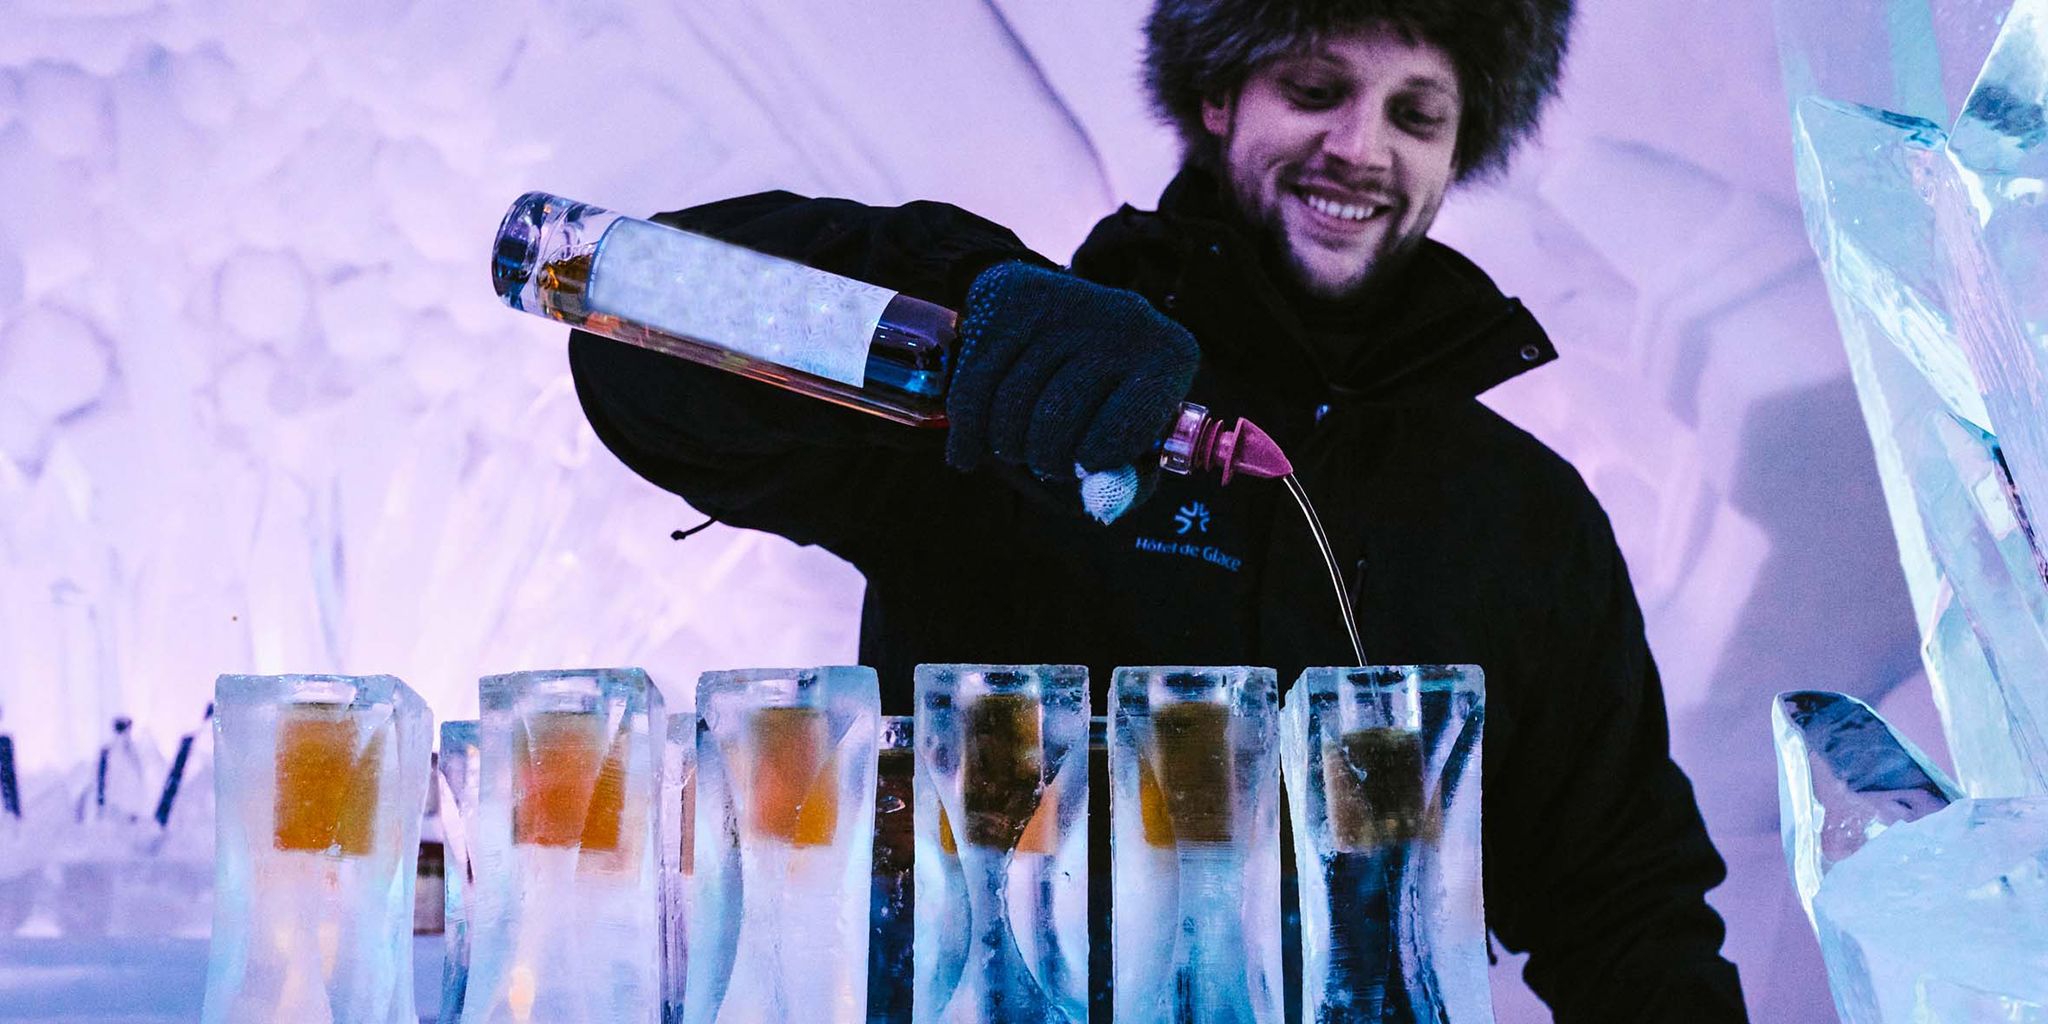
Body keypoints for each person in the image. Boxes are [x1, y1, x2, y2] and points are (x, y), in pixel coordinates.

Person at [567, 0, 1747, 1018]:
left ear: (1457, 150)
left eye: (1414, 115)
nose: (1359, 146)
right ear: (1221, 96)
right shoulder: (1025, 377)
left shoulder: (1519, 514)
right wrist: (959, 300)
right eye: (1314, 86)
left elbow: (1620, 904)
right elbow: (647, 345)